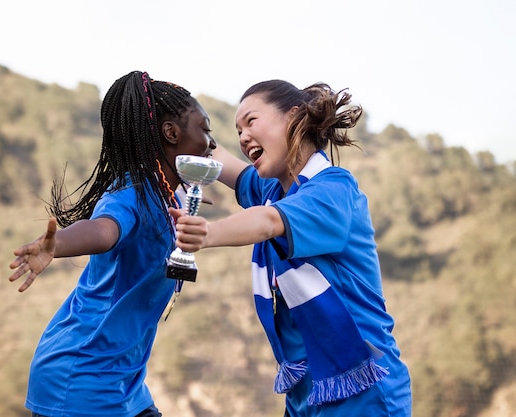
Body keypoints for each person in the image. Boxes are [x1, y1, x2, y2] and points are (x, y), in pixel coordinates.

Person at [171, 80, 412, 416]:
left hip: (364, 395)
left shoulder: (334, 189)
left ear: (293, 116)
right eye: (237, 130)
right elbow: (217, 156)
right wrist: (173, 113)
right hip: (306, 396)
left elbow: (269, 221)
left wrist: (207, 234)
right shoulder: (271, 188)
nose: (242, 137)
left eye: (251, 122)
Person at [8, 70, 217, 417]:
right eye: (206, 130)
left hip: (126, 383)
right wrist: (56, 244)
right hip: (82, 381)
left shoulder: (164, 195)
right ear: (171, 133)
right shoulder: (130, 192)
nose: (211, 141)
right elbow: (104, 231)